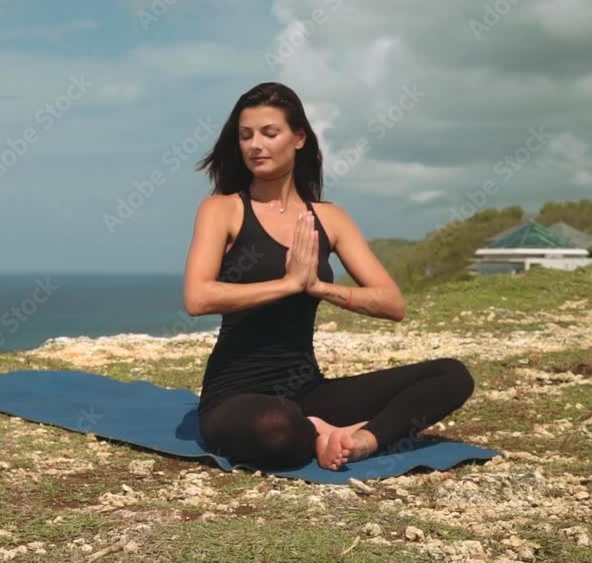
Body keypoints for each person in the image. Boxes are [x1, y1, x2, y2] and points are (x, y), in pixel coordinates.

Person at [182, 82, 475, 471]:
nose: (256, 145)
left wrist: (320, 287)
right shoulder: (222, 209)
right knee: (276, 426)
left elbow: (392, 304)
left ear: (299, 138)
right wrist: (288, 284)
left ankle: (362, 441)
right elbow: (197, 298)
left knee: (451, 375)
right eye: (246, 135)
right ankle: (317, 434)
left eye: (270, 133)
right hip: (236, 395)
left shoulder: (330, 218)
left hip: (306, 388)